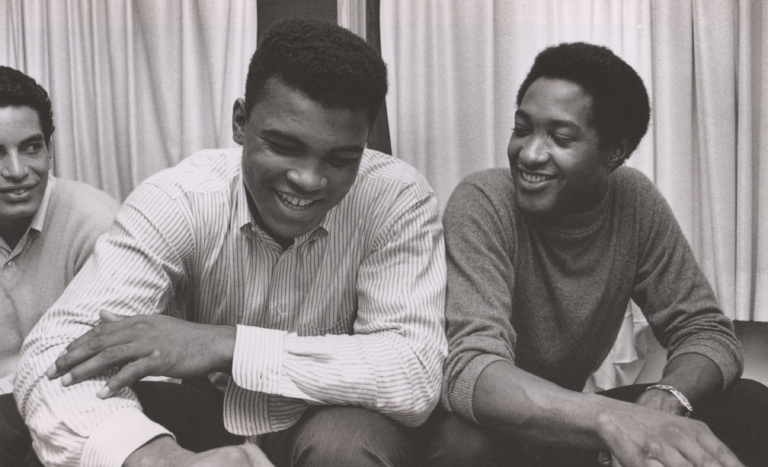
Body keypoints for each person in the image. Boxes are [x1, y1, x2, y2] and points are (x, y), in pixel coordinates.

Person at [15, 18, 447, 467]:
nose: (308, 179)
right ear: (241, 122)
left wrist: (228, 344)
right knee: (73, 443)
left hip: (332, 416)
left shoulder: (397, 197)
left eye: (340, 158)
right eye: (283, 145)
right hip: (206, 413)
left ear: (366, 144)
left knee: (346, 447)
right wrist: (158, 458)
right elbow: (53, 355)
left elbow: (414, 373)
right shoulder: (180, 198)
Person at [423, 42, 768, 466]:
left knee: (752, 404)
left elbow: (706, 331)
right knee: (466, 448)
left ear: (615, 152)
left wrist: (668, 396)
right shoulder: (485, 200)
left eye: (560, 137)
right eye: (522, 128)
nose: (529, 153)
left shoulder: (634, 201)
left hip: (568, 426)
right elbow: (472, 369)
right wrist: (613, 419)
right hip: (486, 425)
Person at [0, 66, 120, 466]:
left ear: (50, 149)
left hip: (75, 400)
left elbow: (110, 365)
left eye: (31, 148)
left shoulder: (96, 223)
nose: (17, 172)